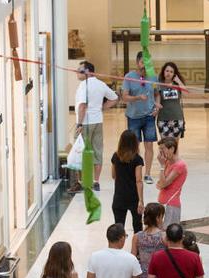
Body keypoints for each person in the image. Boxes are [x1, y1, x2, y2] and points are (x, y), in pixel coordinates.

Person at [73, 60, 119, 193]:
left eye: (80, 70)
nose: (77, 72)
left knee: (81, 151)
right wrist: (101, 108)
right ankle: (96, 181)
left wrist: (79, 123)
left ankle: (82, 182)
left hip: (85, 123)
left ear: (88, 72)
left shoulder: (84, 85)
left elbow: (82, 106)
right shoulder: (101, 84)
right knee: (97, 151)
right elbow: (115, 98)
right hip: (98, 121)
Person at [122, 51, 159, 185]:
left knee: (149, 145)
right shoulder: (129, 77)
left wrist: (155, 108)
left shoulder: (153, 77)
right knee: (134, 146)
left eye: (148, 62)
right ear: (137, 63)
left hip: (149, 116)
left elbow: (157, 94)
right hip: (133, 117)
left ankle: (147, 174)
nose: (145, 65)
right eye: (143, 62)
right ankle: (134, 172)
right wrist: (137, 98)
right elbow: (124, 97)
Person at [111, 130, 145, 233]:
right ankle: (137, 248)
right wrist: (141, 200)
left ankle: (117, 247)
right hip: (133, 197)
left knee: (119, 227)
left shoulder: (116, 156)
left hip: (119, 196)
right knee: (137, 226)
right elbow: (138, 180)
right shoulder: (137, 159)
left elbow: (113, 176)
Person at [156, 137, 188, 227]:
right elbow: (159, 184)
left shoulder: (179, 165)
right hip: (162, 202)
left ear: (172, 149)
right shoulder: (167, 162)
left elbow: (163, 184)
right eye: (160, 150)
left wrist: (162, 166)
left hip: (171, 204)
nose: (161, 153)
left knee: (169, 235)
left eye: (163, 149)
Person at [155, 62, 186, 139]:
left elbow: (186, 93)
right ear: (163, 72)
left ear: (174, 74)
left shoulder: (177, 85)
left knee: (174, 146)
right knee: (165, 145)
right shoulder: (159, 85)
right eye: (167, 71)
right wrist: (155, 109)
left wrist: (179, 82)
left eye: (171, 72)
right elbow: (157, 101)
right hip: (163, 119)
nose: (169, 73)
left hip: (177, 118)